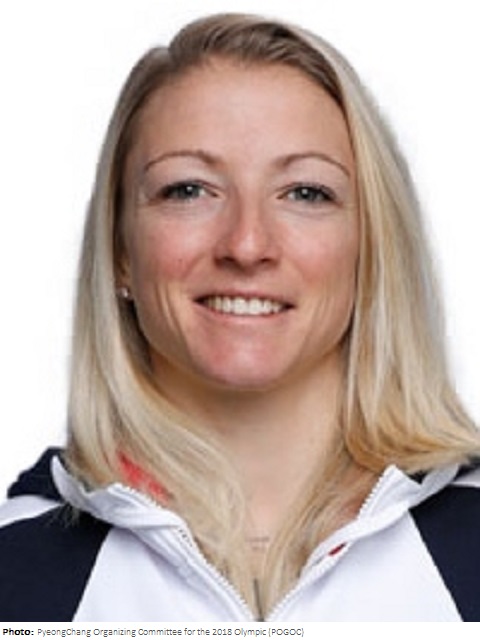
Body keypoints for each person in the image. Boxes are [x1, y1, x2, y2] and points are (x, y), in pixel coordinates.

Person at [1, 12, 480, 623]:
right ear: (120, 250)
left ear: (372, 246)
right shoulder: (15, 571)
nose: (247, 245)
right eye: (188, 190)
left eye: (306, 192)